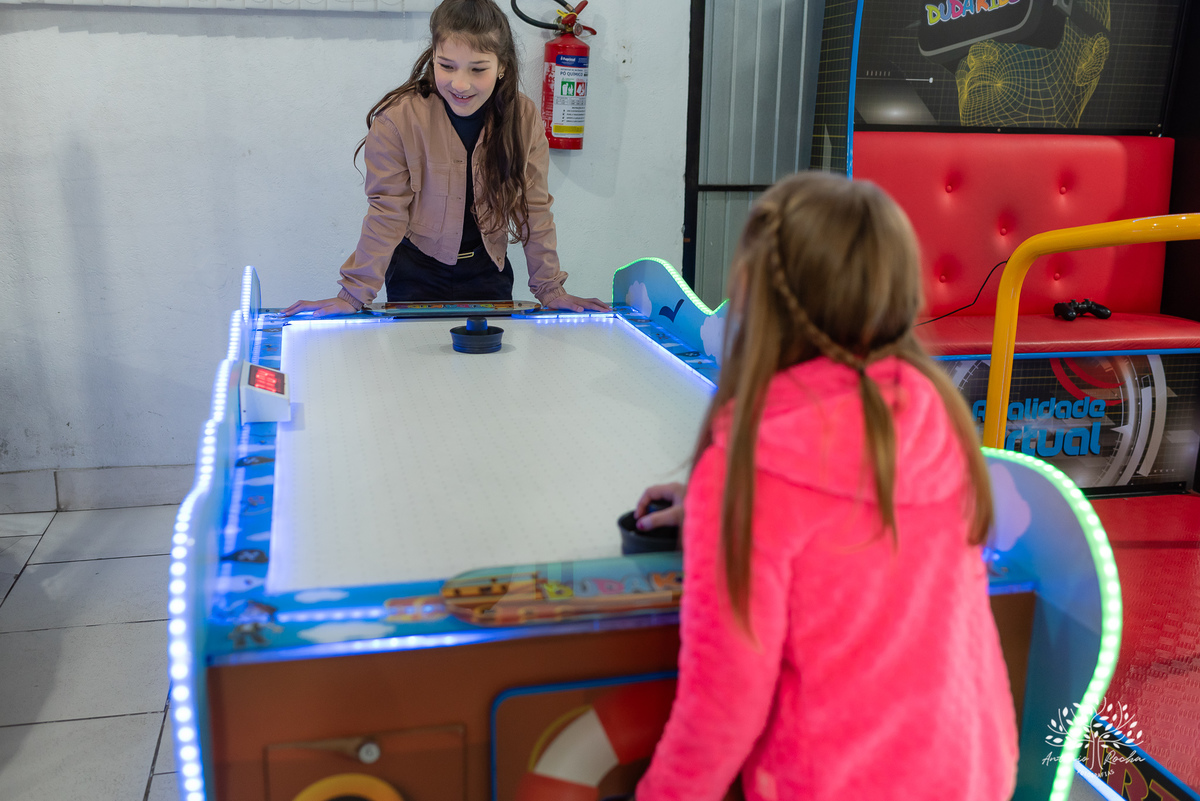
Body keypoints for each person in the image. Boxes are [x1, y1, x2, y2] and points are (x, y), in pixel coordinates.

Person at [632, 172, 1018, 800]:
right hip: (970, 770)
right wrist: (717, 502)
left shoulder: (754, 466)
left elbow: (725, 701)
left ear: (757, 296)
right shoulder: (932, 411)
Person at [284, 0, 607, 318]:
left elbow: (533, 207)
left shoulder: (523, 118)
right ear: (433, 59)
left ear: (502, 66)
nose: (460, 83)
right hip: (415, 273)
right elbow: (387, 211)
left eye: (478, 69)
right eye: (446, 66)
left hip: (487, 270)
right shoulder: (398, 120)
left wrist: (551, 289)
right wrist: (353, 294)